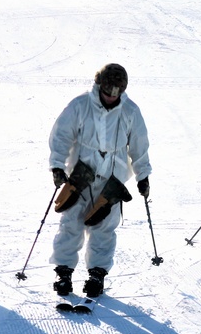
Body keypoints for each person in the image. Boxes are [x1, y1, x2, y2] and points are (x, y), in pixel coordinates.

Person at [48, 63, 152, 298]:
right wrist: (57, 165)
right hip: (80, 175)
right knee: (71, 222)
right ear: (99, 85)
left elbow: (139, 146)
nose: (112, 97)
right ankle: (63, 272)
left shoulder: (131, 111)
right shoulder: (80, 105)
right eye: (108, 92)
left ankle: (97, 274)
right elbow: (61, 136)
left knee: (104, 228)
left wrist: (143, 176)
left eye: (117, 93)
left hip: (111, 180)